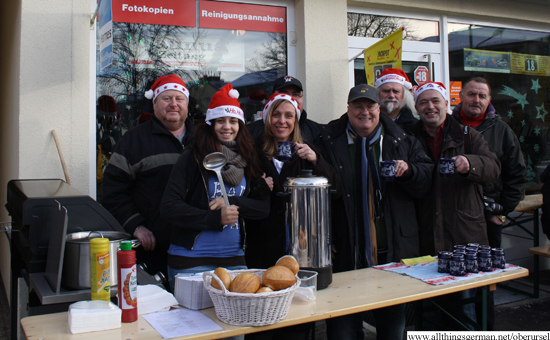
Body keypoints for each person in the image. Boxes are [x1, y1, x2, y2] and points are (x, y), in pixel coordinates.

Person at [315, 84, 433, 340]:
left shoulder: (402, 140)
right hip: (346, 250)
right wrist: (325, 238)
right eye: (358, 106)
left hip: (392, 249)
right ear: (348, 110)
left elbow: (426, 181)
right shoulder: (328, 142)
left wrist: (410, 171)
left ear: (379, 109)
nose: (364, 112)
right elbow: (320, 196)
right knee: (343, 330)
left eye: (370, 106)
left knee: (392, 328)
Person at [159, 83, 271, 292]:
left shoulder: (248, 159)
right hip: (190, 261)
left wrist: (234, 202)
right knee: (194, 324)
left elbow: (263, 208)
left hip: (235, 261)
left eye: (233, 121)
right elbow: (169, 207)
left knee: (237, 321)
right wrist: (214, 218)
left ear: (240, 125)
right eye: (220, 121)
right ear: (211, 123)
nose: (227, 127)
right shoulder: (193, 157)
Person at [410, 82, 500, 330]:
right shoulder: (408, 137)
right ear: (416, 108)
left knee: (463, 311)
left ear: (447, 105)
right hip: (425, 236)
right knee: (428, 311)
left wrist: (469, 163)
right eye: (424, 102)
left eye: (436, 101)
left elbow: (493, 168)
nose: (430, 107)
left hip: (464, 236)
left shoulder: (467, 135)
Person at [101, 74, 195, 286]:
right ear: (154, 103)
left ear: (187, 105)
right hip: (153, 252)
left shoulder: (203, 140)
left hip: (197, 251)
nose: (173, 104)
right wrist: (136, 226)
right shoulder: (133, 142)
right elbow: (113, 193)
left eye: (179, 99)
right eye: (166, 98)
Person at [452, 77, 526, 330]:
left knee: (484, 281)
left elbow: (517, 174)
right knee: (449, 278)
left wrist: (502, 211)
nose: (477, 100)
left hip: (487, 217)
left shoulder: (502, 130)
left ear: (489, 100)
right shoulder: (447, 125)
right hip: (452, 215)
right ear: (461, 96)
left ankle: (484, 330)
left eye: (482, 96)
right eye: (472, 94)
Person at [247, 76, 324, 143]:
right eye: (284, 94)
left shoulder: (318, 132)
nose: (290, 99)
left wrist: (315, 159)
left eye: (296, 94)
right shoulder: (250, 132)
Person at [374, 68, 418, 134]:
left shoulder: (416, 127)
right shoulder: (370, 123)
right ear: (378, 94)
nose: (391, 95)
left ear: (404, 95)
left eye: (396, 91)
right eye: (386, 91)